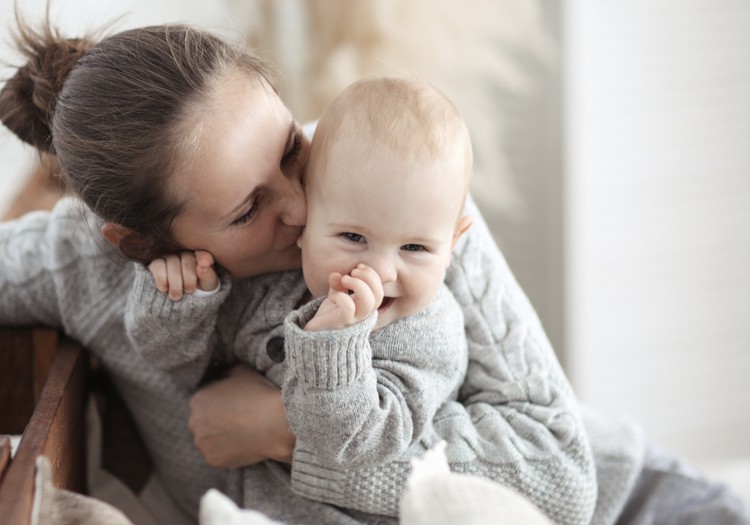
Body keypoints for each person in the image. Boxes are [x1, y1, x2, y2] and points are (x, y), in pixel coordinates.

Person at [0, 16, 747, 525]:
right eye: (249, 207)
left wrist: (285, 430)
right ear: (139, 242)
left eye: (291, 146)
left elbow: (559, 476)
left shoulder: (383, 174)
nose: (303, 199)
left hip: (633, 501)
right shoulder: (81, 268)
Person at [126, 75, 474, 473]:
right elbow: (186, 372)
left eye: (414, 248)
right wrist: (186, 300)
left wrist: (330, 347)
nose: (379, 271)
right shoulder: (269, 285)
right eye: (353, 236)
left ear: (454, 241)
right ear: (306, 223)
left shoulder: (429, 335)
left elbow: (359, 446)